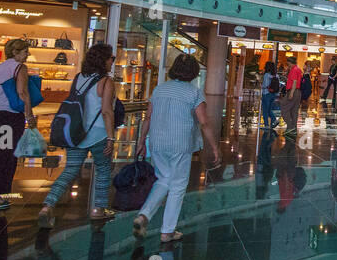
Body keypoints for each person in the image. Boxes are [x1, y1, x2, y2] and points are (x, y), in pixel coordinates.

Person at [132, 54, 222, 243]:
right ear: (194, 72)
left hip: (157, 141)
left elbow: (147, 118)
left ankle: (144, 216)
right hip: (180, 143)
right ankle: (167, 231)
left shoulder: (159, 90)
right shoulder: (194, 93)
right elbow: (204, 122)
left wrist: (141, 142)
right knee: (178, 186)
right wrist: (214, 147)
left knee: (163, 179)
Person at [38, 43, 117, 228]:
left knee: (70, 170)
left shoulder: (78, 78)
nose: (112, 62)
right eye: (111, 58)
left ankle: (47, 206)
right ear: (103, 60)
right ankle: (99, 209)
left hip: (75, 133)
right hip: (98, 134)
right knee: (104, 170)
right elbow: (106, 111)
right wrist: (111, 137)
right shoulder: (106, 82)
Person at [0, 38, 37, 212]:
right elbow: (22, 92)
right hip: (8, 117)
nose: (27, 55)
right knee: (6, 156)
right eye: (25, 51)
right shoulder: (19, 68)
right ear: (15, 52)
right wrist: (29, 116)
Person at [282, 59, 303, 130]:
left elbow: (294, 81)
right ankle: (293, 128)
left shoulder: (293, 70)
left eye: (288, 63)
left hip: (293, 91)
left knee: (284, 108)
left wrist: (291, 93)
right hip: (298, 92)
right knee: (294, 111)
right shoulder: (299, 69)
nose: (288, 64)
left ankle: (290, 126)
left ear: (290, 63)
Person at [259, 60, 281, 130]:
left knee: (265, 110)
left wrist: (261, 84)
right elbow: (278, 85)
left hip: (266, 94)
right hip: (273, 94)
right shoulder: (276, 75)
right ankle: (274, 121)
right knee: (269, 109)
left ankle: (267, 125)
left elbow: (265, 85)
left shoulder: (266, 75)